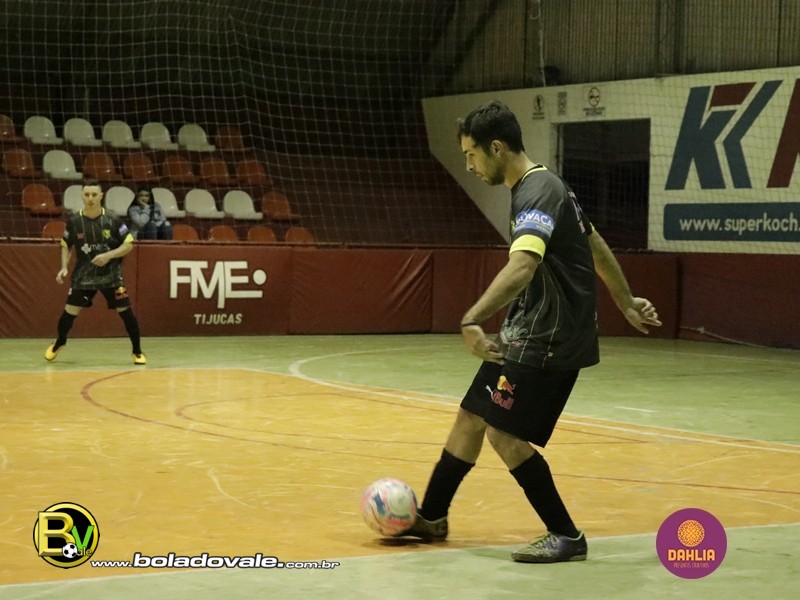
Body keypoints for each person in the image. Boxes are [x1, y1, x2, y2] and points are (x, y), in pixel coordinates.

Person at [397, 100, 662, 563]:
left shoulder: (537, 191)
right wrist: (625, 300)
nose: (469, 166)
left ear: (497, 148)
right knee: (471, 416)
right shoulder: (546, 185)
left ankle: (566, 535)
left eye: (472, 155)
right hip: (527, 330)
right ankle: (433, 516)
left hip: (549, 340)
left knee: (503, 434)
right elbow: (593, 242)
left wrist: (470, 318)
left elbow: (523, 265)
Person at [45, 181, 147, 365]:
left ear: (101, 196)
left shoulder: (113, 219)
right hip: (83, 277)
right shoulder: (74, 221)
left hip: (111, 276)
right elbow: (66, 245)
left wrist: (108, 255)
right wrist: (63, 267)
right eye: (87, 195)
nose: (90, 198)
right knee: (69, 313)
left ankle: (137, 351)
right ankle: (60, 342)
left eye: (94, 195)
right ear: (82, 196)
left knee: (126, 313)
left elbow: (128, 245)